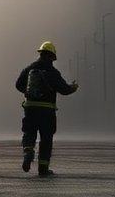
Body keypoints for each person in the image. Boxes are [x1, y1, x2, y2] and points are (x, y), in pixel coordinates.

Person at [14, 40, 79, 177]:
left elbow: (18, 84)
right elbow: (64, 90)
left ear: (41, 54)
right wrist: (73, 88)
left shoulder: (30, 69)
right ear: (52, 56)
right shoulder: (52, 72)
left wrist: (28, 92)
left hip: (30, 108)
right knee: (46, 138)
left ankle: (28, 151)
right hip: (46, 111)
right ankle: (43, 169)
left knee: (29, 132)